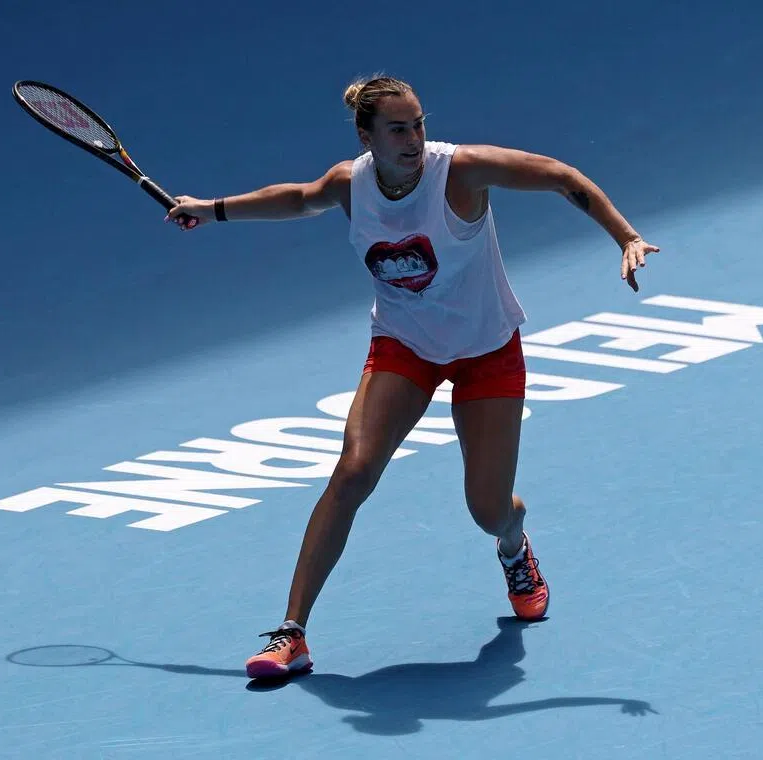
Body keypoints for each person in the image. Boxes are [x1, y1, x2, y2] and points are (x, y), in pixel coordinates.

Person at [166, 74, 660, 680]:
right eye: (398, 129)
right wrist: (210, 210)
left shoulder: (461, 172)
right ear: (366, 137)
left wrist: (626, 236)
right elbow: (297, 198)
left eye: (419, 124)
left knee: (488, 510)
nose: (414, 139)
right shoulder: (349, 184)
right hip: (405, 346)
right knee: (352, 470)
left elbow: (559, 175)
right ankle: (292, 633)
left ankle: (513, 545)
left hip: (486, 350)